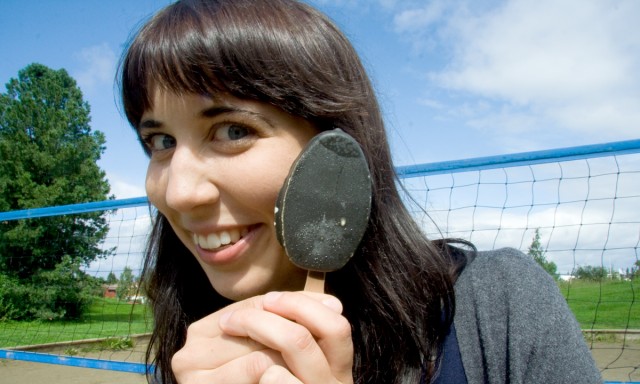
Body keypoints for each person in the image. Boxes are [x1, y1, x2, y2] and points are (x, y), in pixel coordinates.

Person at [119, 0, 602, 383]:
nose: (178, 193)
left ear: (338, 148)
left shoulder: (496, 309)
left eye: (231, 130)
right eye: (160, 142)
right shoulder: (195, 359)